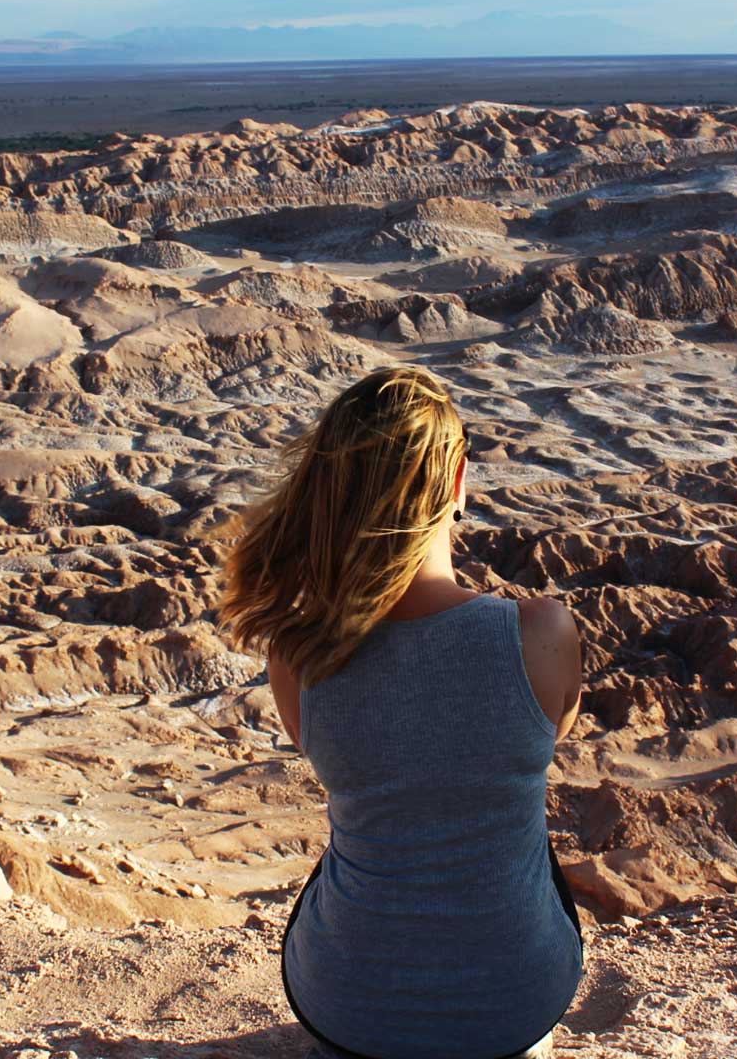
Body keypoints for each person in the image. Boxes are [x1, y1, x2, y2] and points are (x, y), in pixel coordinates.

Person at [216, 365, 586, 1059]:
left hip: (350, 1016)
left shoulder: (300, 654)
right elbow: (551, 735)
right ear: (455, 485)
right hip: (513, 1011)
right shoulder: (541, 633)